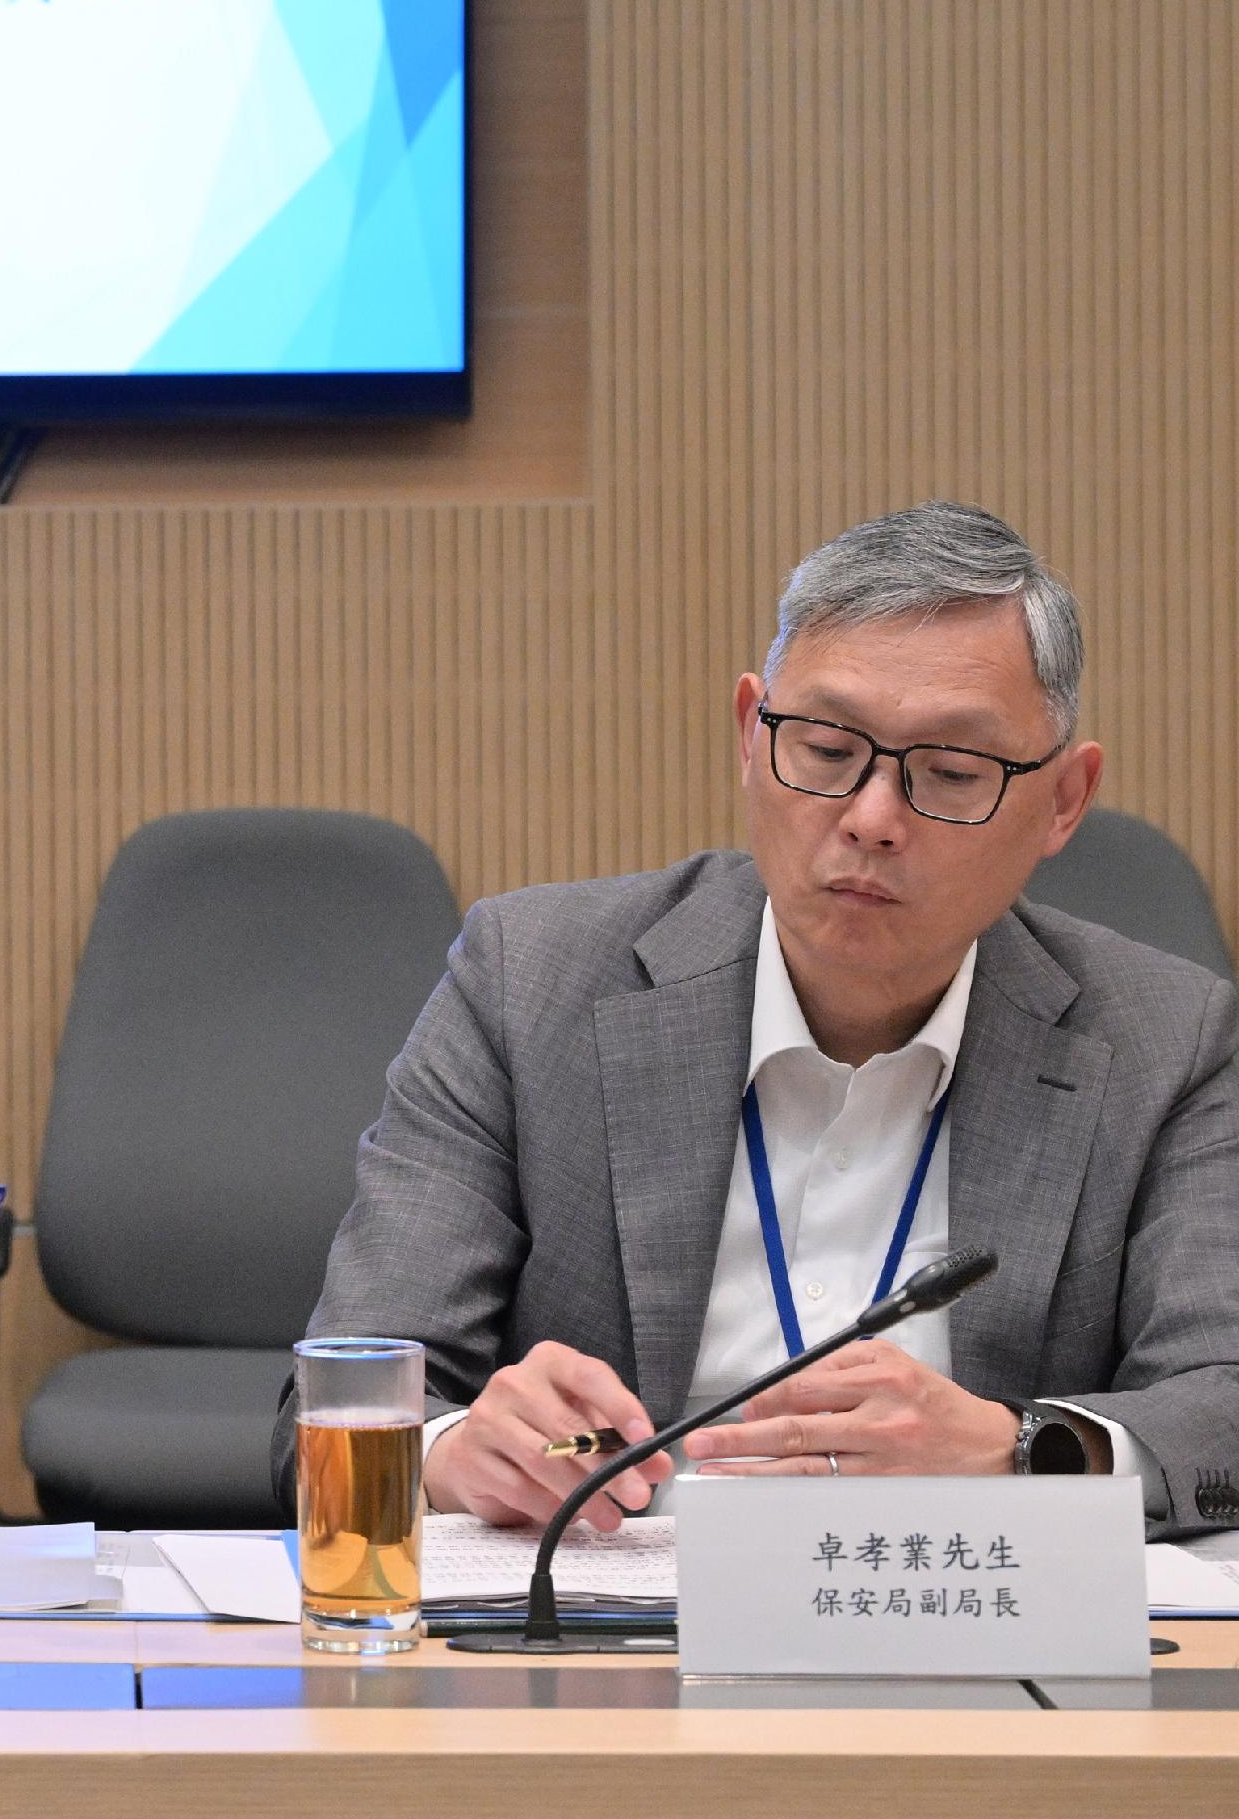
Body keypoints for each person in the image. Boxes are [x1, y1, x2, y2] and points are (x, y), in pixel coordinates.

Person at [287, 502, 1239, 1537]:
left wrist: (1018, 1452)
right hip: (617, 1648)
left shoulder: (1170, 1043)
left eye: (951, 776)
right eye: (827, 751)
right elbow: (340, 1398)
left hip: (968, 1634)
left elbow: (1221, 1407)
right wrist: (455, 1451)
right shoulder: (527, 985)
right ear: (751, 733)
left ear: (1062, 800)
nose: (872, 819)